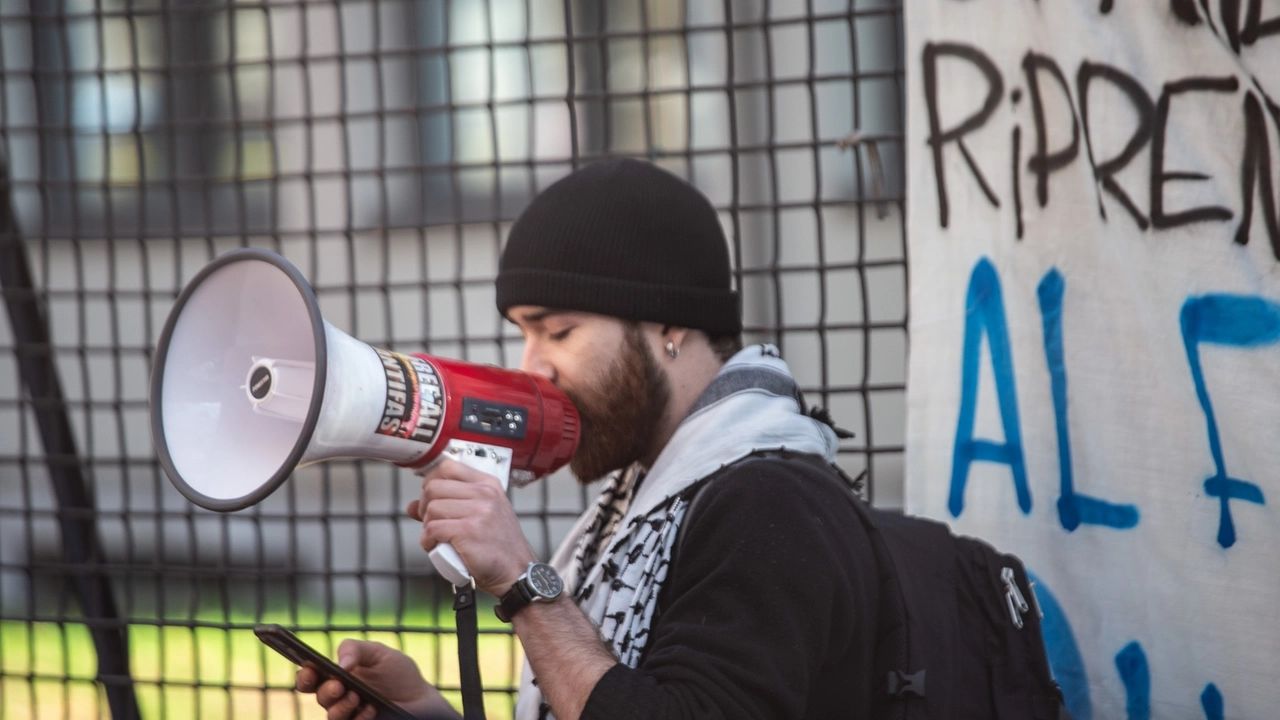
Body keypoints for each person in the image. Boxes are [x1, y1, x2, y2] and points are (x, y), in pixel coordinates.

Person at [296, 158, 880, 720]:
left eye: (559, 331)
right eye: (526, 334)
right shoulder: (640, 501)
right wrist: (425, 712)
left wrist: (524, 581)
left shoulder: (770, 501)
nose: (534, 367)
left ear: (670, 325)